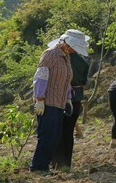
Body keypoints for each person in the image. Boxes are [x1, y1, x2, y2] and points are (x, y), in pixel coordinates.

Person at [29, 29, 89, 174]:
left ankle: (46, 166)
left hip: (60, 102)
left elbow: (66, 80)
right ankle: (38, 167)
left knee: (56, 135)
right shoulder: (50, 54)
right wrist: (40, 99)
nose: (73, 50)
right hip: (48, 101)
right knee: (47, 135)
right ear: (66, 43)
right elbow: (40, 77)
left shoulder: (66, 57)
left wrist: (68, 98)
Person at [52, 29, 90, 171]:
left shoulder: (61, 58)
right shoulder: (84, 62)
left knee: (57, 130)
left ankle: (55, 162)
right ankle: (66, 164)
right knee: (68, 132)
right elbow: (84, 84)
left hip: (61, 98)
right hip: (76, 99)